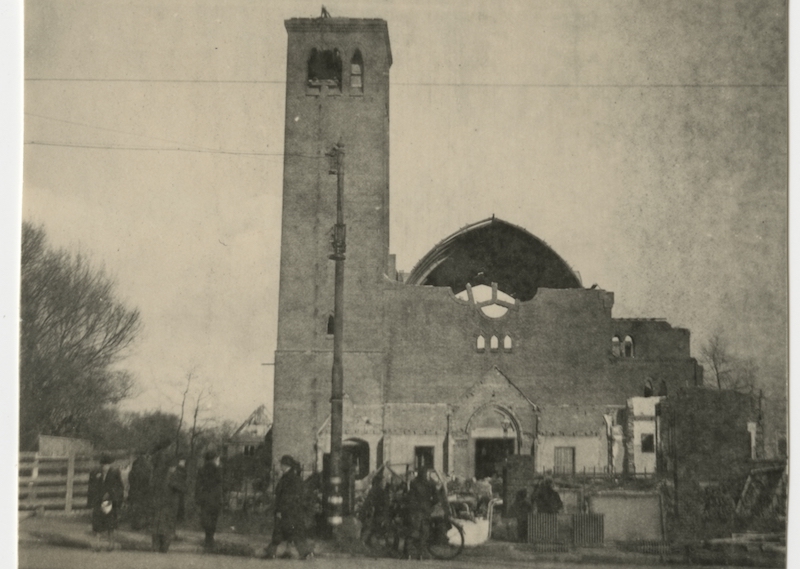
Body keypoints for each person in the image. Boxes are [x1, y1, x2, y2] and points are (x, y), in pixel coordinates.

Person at [264, 455, 314, 560]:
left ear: (285, 465)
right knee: (292, 533)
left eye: (281, 464)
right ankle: (305, 553)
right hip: (292, 511)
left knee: (284, 532)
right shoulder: (292, 477)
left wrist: (280, 510)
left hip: (287, 511)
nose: (279, 466)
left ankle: (271, 553)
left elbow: (286, 497)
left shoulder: (288, 478)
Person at [87, 453, 125, 549]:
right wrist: (91, 502)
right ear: (100, 465)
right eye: (103, 465)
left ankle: (111, 544)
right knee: (97, 523)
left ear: (110, 464)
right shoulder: (95, 473)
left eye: (107, 464)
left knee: (110, 523)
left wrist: (112, 495)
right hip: (98, 501)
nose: (105, 467)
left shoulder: (115, 473)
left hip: (109, 501)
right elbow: (91, 488)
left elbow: (119, 487)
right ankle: (97, 543)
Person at [150, 454, 187, 553]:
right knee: (164, 527)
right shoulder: (173, 475)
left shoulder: (165, 475)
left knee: (161, 526)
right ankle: (161, 547)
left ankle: (159, 547)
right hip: (168, 505)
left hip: (165, 504)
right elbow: (182, 488)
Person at [404, 466, 438, 559]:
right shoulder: (430, 484)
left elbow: (410, 497)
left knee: (414, 531)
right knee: (424, 533)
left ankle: (409, 554)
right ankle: (420, 554)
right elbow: (436, 498)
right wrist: (430, 504)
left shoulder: (413, 483)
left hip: (416, 511)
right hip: (426, 510)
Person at [195, 450, 224, 551]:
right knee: (213, 520)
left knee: (206, 519)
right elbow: (220, 484)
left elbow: (198, 485)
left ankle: (208, 540)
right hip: (215, 499)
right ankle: (210, 541)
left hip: (205, 498)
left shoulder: (201, 470)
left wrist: (198, 498)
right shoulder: (217, 470)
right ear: (214, 459)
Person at [359, 474, 390, 546]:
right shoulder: (378, 491)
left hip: (375, 512)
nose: (384, 483)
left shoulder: (374, 490)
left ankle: (367, 543)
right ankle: (363, 543)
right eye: (383, 481)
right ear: (379, 482)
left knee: (372, 528)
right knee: (371, 528)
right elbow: (383, 503)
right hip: (375, 513)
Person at [127, 451, 153, 530]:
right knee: (145, 507)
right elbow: (149, 478)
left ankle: (136, 525)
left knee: (136, 508)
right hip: (144, 489)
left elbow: (130, 477)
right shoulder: (148, 465)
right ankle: (145, 524)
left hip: (135, 490)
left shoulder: (135, 464)